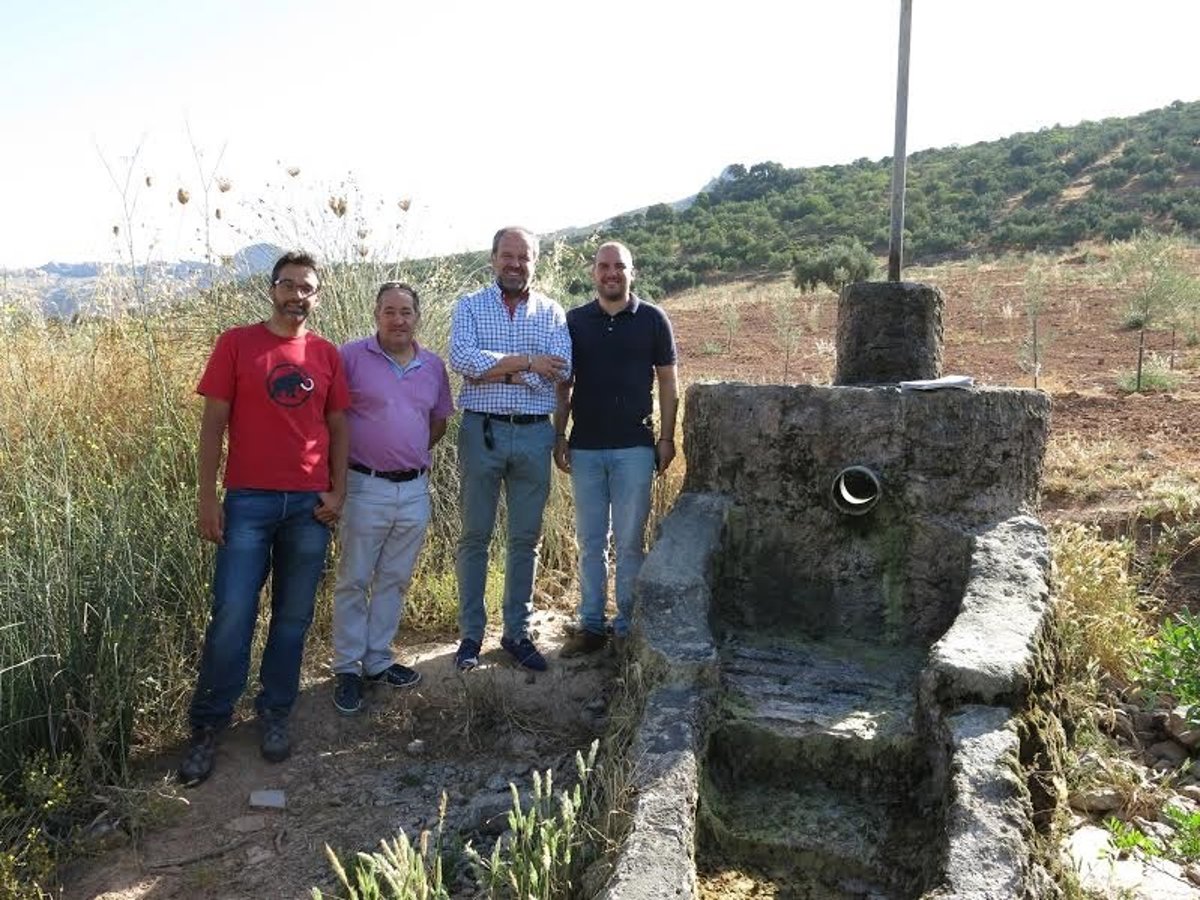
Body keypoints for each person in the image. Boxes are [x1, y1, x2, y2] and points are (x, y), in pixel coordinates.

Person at [179, 251, 349, 786]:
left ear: (316, 296)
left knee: (293, 617)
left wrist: (338, 491)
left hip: (308, 507)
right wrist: (208, 498)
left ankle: (275, 712)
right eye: (288, 285)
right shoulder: (236, 343)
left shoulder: (326, 353)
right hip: (247, 502)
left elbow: (339, 427)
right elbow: (213, 426)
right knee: (232, 612)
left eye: (306, 287)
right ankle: (209, 723)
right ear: (272, 289)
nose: (297, 295)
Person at [448, 226, 571, 671]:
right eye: (508, 255)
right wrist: (527, 364)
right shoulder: (470, 306)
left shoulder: (552, 313)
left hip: (535, 434)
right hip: (482, 431)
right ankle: (470, 636)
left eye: (524, 257)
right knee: (475, 536)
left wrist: (496, 369)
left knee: (525, 539)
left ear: (534, 261)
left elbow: (560, 370)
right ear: (493, 258)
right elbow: (462, 359)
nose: (515, 264)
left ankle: (517, 633)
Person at [330, 282, 453, 715]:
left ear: (417, 316)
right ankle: (347, 667)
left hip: (414, 488)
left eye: (406, 312)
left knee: (395, 578)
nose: (398, 320)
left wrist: (407, 455)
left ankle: (378, 660)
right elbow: (331, 417)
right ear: (376, 314)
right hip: (365, 485)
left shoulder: (432, 365)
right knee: (354, 579)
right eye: (389, 311)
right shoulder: (350, 357)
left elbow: (437, 423)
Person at [553, 241, 678, 655]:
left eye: (619, 266)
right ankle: (591, 625)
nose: (611, 273)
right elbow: (564, 385)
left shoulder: (653, 319)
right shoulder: (574, 321)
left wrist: (666, 438)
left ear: (631, 272)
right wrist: (559, 435)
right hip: (586, 448)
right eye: (604, 266)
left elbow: (668, 382)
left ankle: (626, 627)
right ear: (594, 272)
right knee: (591, 543)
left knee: (629, 544)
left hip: (635, 449)